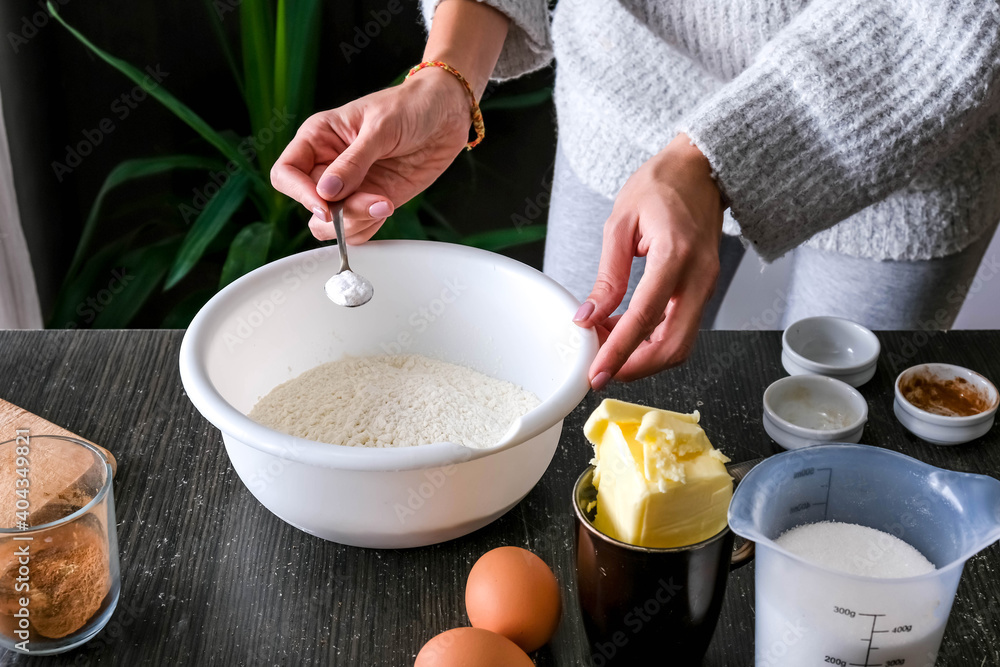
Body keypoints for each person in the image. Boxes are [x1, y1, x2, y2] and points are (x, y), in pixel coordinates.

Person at [270, 0, 1000, 390]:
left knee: (841, 443)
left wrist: (715, 161)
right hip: (630, 92)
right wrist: (447, 75)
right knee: (591, 398)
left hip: (902, 112)